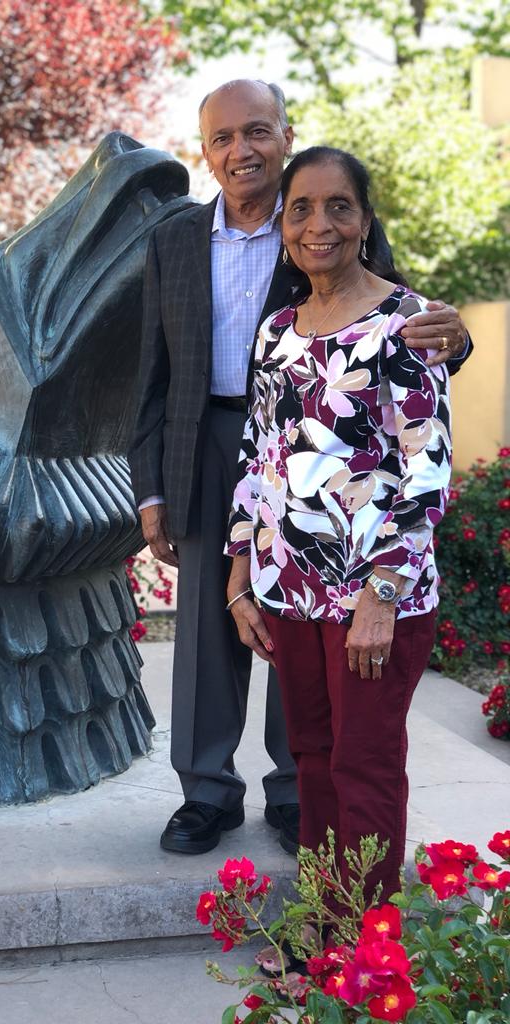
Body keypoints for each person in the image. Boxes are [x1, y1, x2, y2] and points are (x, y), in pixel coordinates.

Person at [128, 79, 471, 857]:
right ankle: (207, 793)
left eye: (256, 132)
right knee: (217, 623)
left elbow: (404, 322)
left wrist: (455, 334)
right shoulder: (173, 240)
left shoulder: (320, 211)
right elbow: (148, 375)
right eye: (222, 138)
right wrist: (150, 490)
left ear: (285, 136)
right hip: (217, 444)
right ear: (205, 151)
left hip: (318, 459)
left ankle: (295, 794)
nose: (240, 151)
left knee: (304, 629)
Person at [226, 145, 451, 904]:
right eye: (302, 209)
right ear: (284, 226)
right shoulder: (277, 333)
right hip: (290, 592)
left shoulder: (408, 323)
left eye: (338, 206)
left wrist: (381, 595)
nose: (318, 224)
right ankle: (325, 931)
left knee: (363, 764)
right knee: (312, 759)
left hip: (374, 600)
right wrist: (240, 579)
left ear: (363, 220)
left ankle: (367, 946)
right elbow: (259, 462)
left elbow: (425, 473)